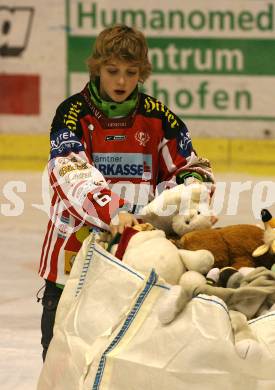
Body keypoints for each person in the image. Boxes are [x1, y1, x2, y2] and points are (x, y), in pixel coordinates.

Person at [38, 24, 214, 361]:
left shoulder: (159, 118)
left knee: (125, 369)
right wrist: (113, 210)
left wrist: (193, 197)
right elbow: (71, 174)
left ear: (142, 73)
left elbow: (191, 168)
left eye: (131, 72)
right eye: (112, 71)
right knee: (62, 369)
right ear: (97, 68)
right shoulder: (72, 114)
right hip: (71, 266)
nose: (121, 81)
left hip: (135, 262)